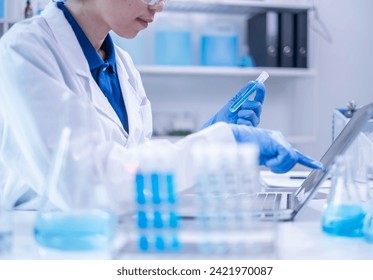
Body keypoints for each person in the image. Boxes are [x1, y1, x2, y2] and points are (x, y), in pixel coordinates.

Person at [0, 0, 322, 212]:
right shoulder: (25, 52)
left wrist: (206, 138)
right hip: (46, 249)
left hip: (114, 238)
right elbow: (88, 184)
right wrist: (218, 142)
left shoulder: (122, 65)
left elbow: (132, 170)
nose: (159, 5)